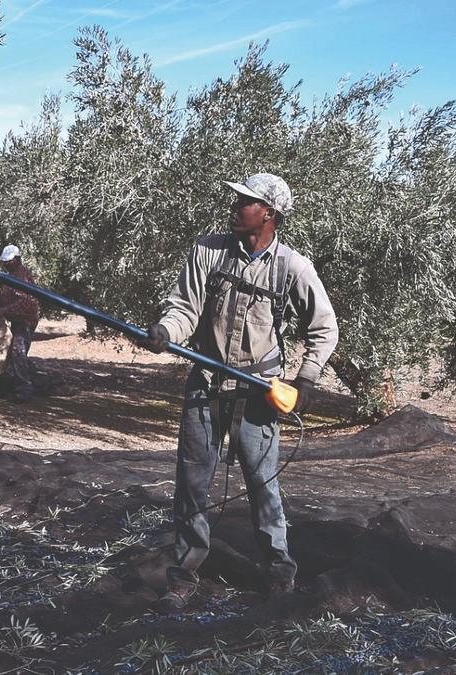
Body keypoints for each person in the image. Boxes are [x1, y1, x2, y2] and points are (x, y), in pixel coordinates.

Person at [136, 173, 338, 612]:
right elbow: (184, 308)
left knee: (262, 485)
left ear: (269, 213)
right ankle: (183, 576)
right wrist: (165, 331)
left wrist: (306, 379)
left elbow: (325, 328)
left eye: (245, 201)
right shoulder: (207, 251)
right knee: (191, 485)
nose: (234, 205)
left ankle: (278, 574)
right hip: (205, 387)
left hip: (258, 394)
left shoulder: (293, 267)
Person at [0, 245, 41, 402]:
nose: (6, 264)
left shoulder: (21, 276)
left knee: (18, 352)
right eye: (5, 262)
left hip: (25, 321)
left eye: (9, 261)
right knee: (11, 353)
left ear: (16, 259)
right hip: (16, 320)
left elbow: (26, 302)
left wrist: (4, 310)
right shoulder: (11, 275)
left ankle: (24, 389)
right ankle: (14, 385)